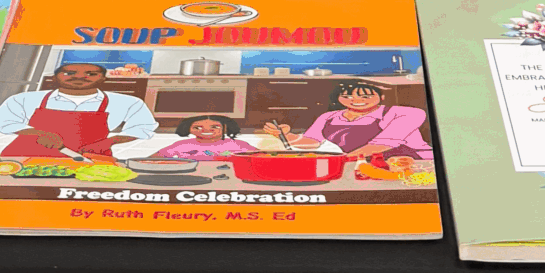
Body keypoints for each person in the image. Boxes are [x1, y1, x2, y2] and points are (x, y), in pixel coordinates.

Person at [0, 59, 160, 160]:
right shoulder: (25, 98)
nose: (79, 77)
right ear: (55, 77)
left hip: (89, 158)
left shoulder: (128, 102)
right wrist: (36, 133)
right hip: (25, 156)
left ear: (103, 79)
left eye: (91, 74)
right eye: (69, 73)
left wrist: (109, 142)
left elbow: (142, 127)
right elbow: (2, 120)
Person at [267, 80, 432, 163]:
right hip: (359, 164)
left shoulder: (405, 113)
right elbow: (312, 142)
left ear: (381, 97)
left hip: (416, 164)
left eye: (365, 96)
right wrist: (286, 136)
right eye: (347, 96)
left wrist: (339, 161)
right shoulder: (329, 117)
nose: (355, 100)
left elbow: (382, 145)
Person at [153, 113, 258, 159]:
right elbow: (154, 159)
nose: (206, 130)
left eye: (215, 127)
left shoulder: (238, 145)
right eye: (198, 128)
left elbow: (260, 156)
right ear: (188, 128)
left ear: (225, 128)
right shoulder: (181, 145)